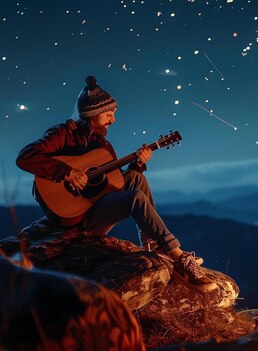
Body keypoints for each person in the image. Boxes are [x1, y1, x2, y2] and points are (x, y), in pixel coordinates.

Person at [16, 75, 217, 293]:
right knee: (134, 198)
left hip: (96, 208)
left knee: (137, 179)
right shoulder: (62, 135)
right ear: (92, 114)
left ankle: (152, 244)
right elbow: (26, 157)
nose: (113, 120)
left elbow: (114, 182)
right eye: (109, 114)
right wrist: (66, 172)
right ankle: (179, 260)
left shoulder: (103, 145)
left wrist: (138, 165)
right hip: (74, 217)